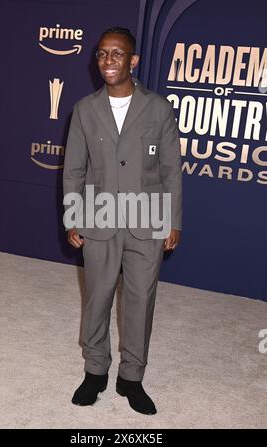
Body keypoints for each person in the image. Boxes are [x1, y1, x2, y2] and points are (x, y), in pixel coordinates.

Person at [63, 27, 182, 415]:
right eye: (101, 54)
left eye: (117, 54)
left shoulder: (159, 108)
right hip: (97, 217)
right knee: (96, 298)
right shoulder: (84, 109)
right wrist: (72, 217)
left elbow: (171, 170)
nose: (108, 61)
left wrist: (173, 220)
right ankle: (95, 370)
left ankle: (132, 378)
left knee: (139, 301)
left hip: (147, 219)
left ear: (133, 61)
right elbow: (73, 170)